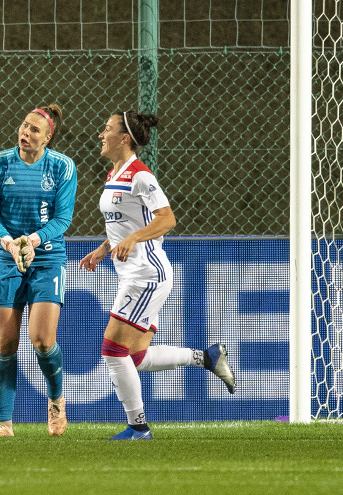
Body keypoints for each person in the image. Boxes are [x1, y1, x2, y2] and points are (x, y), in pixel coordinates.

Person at [79, 111, 236, 441]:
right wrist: (104, 248)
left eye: (107, 129)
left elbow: (167, 219)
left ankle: (139, 428)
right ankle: (206, 357)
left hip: (146, 275)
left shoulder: (141, 176)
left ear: (124, 139)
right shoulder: (115, 173)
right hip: (134, 274)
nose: (100, 134)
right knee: (133, 356)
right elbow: (127, 223)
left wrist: (134, 239)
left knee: (112, 350)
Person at [0, 104, 77, 437]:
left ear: (48, 137)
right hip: (8, 258)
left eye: (35, 130)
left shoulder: (62, 167)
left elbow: (63, 218)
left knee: (40, 339)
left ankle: (56, 400)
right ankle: (3, 423)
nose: (25, 133)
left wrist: (33, 241)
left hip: (47, 259)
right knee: (5, 343)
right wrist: (10, 244)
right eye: (23, 126)